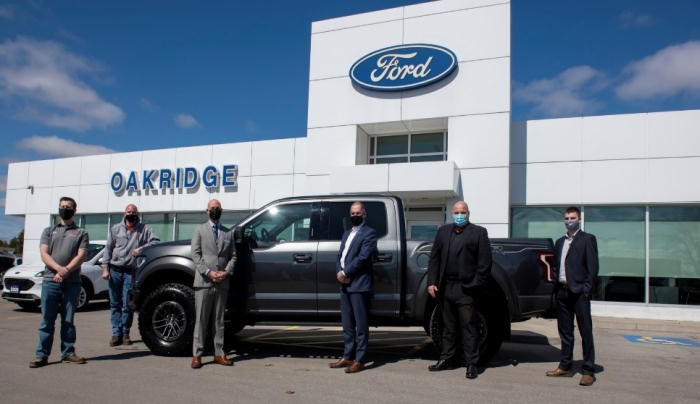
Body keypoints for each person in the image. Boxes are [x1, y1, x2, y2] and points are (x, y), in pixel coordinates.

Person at [426, 201, 491, 379]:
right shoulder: (443, 231)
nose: (459, 215)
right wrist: (431, 282)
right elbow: (434, 258)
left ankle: (471, 364)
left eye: (463, 212)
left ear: (468, 214)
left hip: (466, 288)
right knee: (448, 327)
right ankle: (446, 359)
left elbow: (484, 263)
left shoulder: (478, 233)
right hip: (445, 286)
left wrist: (475, 283)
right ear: (451, 214)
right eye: (456, 212)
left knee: (469, 327)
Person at [30, 197, 89, 368]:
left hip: (72, 283)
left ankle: (68, 353)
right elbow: (44, 254)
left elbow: (82, 255)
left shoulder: (81, 233)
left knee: (68, 320)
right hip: (50, 281)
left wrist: (66, 271)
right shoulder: (48, 231)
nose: (64, 209)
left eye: (68, 207)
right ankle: (42, 355)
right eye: (62, 206)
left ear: (74, 210)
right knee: (46, 321)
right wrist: (58, 269)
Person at [546, 206, 599, 386]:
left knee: (586, 332)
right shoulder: (560, 242)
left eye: (573, 217)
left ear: (579, 219)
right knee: (565, 332)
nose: (570, 220)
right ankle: (565, 366)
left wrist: (586, 290)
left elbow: (593, 269)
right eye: (567, 217)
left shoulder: (587, 240)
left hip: (579, 293)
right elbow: (555, 266)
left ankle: (588, 370)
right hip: (562, 292)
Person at [329, 202, 377, 374]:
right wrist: (339, 272)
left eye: (358, 212)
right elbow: (340, 256)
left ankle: (360, 359)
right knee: (347, 324)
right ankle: (347, 356)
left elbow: (363, 257)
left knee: (361, 326)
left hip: (359, 285)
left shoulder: (369, 233)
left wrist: (346, 272)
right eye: (352, 213)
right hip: (344, 284)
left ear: (364, 214)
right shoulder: (346, 234)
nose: (355, 215)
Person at [101, 204, 160, 346]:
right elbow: (108, 249)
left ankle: (126, 332)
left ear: (137, 214)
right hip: (115, 270)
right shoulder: (115, 229)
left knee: (128, 304)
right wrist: (105, 268)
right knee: (115, 303)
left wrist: (141, 248)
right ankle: (116, 333)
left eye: (134, 212)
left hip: (131, 272)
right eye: (129, 211)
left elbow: (156, 242)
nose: (131, 213)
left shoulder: (144, 229)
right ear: (124, 213)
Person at [190, 199, 236, 369]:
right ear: (206, 211)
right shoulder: (199, 230)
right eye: (212, 208)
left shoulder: (227, 233)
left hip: (222, 282)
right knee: (201, 320)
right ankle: (197, 355)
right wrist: (208, 273)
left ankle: (219, 354)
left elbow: (233, 256)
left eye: (217, 208)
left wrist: (226, 271)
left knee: (219, 321)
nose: (215, 211)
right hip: (204, 282)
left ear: (221, 211)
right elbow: (195, 255)